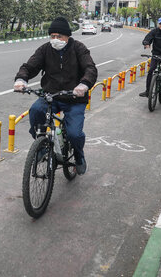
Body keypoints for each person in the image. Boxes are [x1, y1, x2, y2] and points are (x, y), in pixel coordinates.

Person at [13, 17, 98, 175]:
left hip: (74, 98)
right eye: (52, 36)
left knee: (74, 134)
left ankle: (79, 155)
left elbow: (90, 68)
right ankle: (42, 145)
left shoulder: (79, 48)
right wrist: (21, 79)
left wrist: (84, 85)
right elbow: (29, 66)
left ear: (67, 36)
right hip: (51, 96)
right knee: (36, 111)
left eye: (59, 36)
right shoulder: (45, 49)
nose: (55, 39)